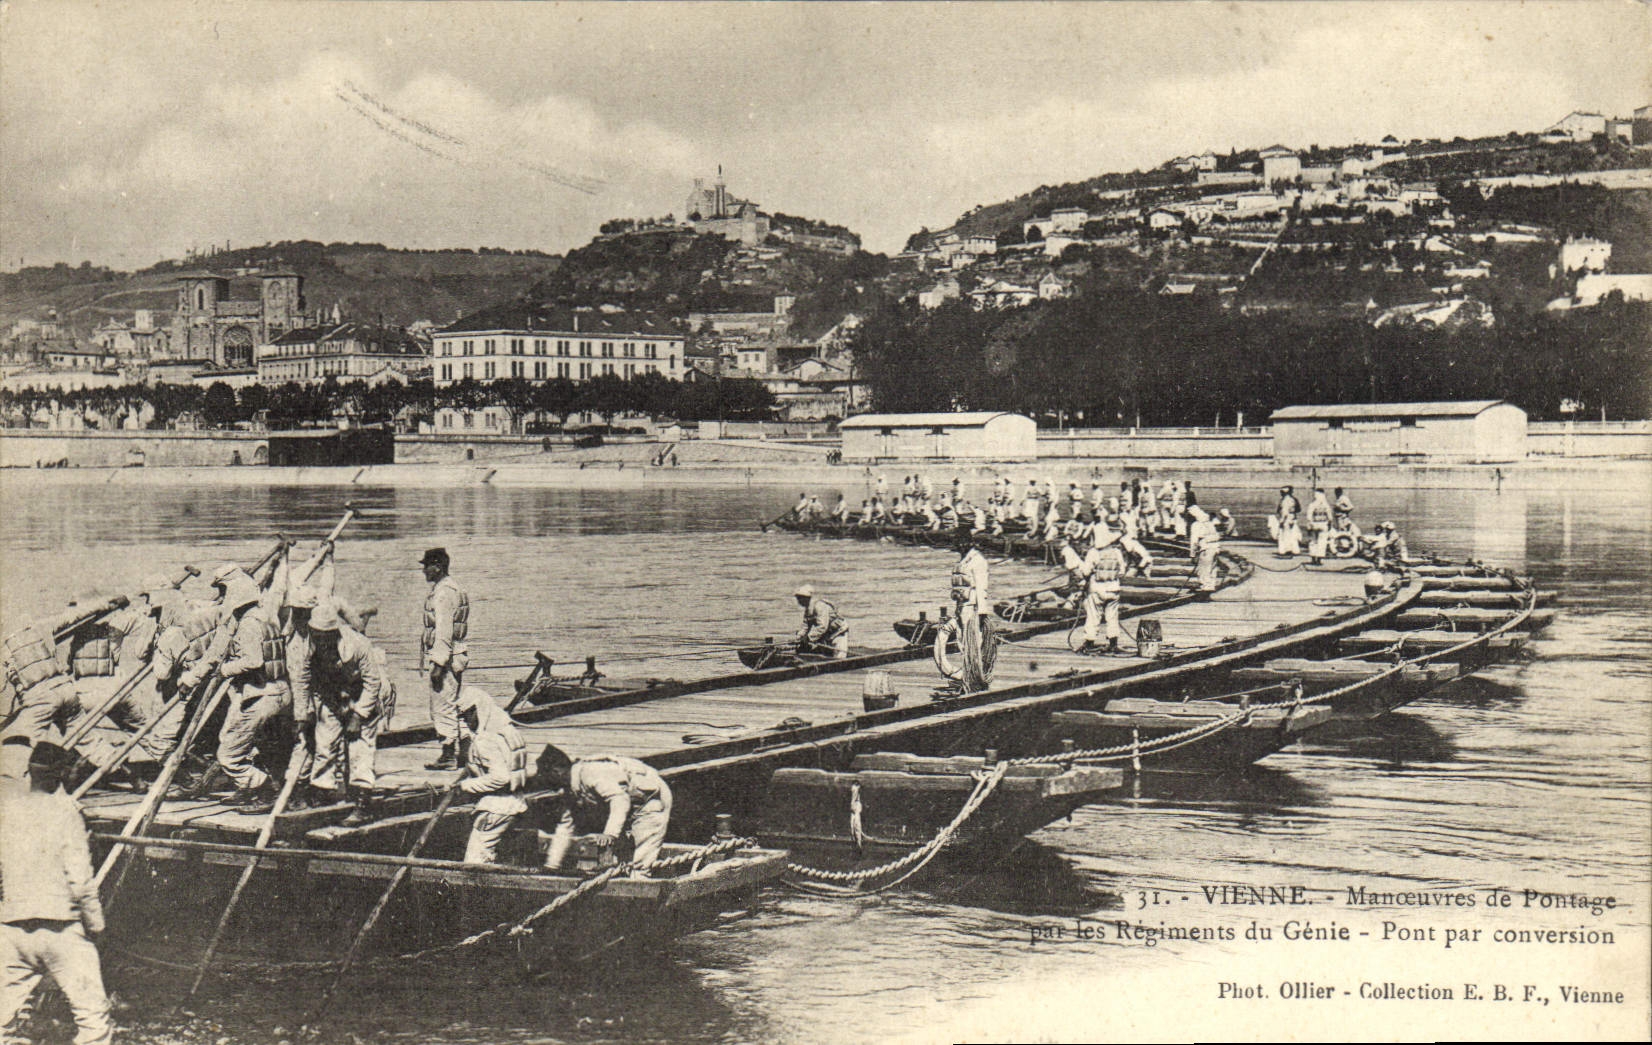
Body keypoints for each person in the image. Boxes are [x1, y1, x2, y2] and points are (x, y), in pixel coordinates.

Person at [0, 737, 113, 1045]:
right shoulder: (66, 811)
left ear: (30, 771)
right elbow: (81, 879)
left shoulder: (8, 810)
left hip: (12, 928)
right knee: (93, 1019)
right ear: (62, 774)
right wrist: (97, 926)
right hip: (59, 927)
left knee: (2, 1022)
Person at [296, 602, 390, 826]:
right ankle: (323, 793)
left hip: (363, 694)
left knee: (359, 747)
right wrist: (302, 714)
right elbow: (303, 681)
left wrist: (358, 716)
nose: (320, 641)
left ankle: (362, 803)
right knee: (325, 743)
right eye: (316, 635)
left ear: (333, 633)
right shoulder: (307, 645)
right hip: (331, 695)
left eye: (324, 636)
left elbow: (373, 683)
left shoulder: (358, 644)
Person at [212, 575, 295, 811]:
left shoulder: (248, 624)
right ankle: (249, 788)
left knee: (228, 755)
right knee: (237, 738)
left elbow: (253, 661)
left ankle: (265, 789)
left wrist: (224, 670)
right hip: (278, 691)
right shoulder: (266, 617)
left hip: (261, 695)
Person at [541, 746, 674, 875]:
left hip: (651, 802)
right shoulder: (571, 788)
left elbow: (620, 799)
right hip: (631, 807)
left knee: (640, 865)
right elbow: (566, 825)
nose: (545, 781)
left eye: (545, 775)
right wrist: (552, 865)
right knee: (623, 864)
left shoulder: (590, 773)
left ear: (556, 771)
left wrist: (610, 834)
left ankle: (639, 881)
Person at [456, 688, 529, 865]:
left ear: (478, 710)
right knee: (495, 856)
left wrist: (465, 786)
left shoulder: (485, 741)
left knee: (474, 861)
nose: (466, 721)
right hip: (516, 803)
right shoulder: (507, 730)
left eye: (467, 716)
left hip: (495, 808)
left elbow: (500, 777)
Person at [419, 548, 470, 772]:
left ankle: (448, 755)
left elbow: (443, 631)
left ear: (438, 567)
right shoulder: (453, 588)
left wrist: (439, 664)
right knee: (455, 704)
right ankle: (465, 754)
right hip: (456, 655)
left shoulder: (443, 593)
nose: (424, 571)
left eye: (427, 566)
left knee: (442, 706)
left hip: (447, 658)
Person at [1077, 532, 1127, 654]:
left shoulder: (1093, 552)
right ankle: (1113, 644)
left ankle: (1089, 643)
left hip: (1097, 589)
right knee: (1112, 617)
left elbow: (1086, 572)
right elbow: (1122, 572)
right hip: (1113, 589)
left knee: (1093, 616)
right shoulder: (1117, 552)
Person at [793, 585, 849, 659]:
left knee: (839, 657)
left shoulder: (820, 606)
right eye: (798, 598)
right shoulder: (808, 609)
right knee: (823, 653)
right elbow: (805, 626)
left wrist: (809, 638)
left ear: (806, 598)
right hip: (827, 633)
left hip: (838, 632)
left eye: (800, 598)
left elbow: (822, 627)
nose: (798, 601)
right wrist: (799, 637)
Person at [1188, 509, 1222, 592]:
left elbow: (1194, 541)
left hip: (1206, 549)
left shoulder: (1196, 525)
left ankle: (1205, 588)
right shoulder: (1210, 523)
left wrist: (1192, 554)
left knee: (1204, 570)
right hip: (1216, 548)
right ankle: (1211, 586)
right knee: (1212, 569)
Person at [1305, 488, 1334, 565]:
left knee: (1313, 541)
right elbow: (1330, 517)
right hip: (1323, 524)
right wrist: (1329, 525)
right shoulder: (1326, 505)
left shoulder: (1312, 504)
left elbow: (1309, 517)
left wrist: (1309, 526)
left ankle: (1313, 558)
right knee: (1322, 542)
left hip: (1314, 524)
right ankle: (1319, 559)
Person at [1275, 486, 1303, 557]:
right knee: (1293, 535)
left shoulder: (1284, 500)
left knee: (1285, 535)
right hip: (1293, 518)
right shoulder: (1294, 499)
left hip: (1286, 519)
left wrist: (1282, 521)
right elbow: (1298, 509)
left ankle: (1286, 550)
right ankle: (1295, 550)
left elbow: (1284, 512)